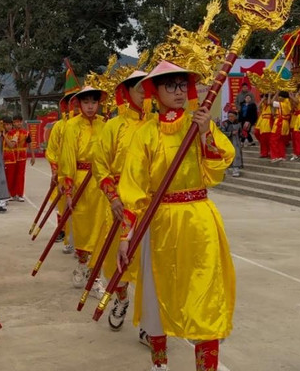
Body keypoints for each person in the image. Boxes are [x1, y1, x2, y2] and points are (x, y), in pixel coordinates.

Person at [119, 61, 236, 371]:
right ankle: (159, 363)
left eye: (183, 84)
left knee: (205, 294)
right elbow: (132, 186)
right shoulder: (145, 133)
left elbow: (217, 168)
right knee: (157, 292)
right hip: (158, 222)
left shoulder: (199, 124)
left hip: (199, 221)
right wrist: (126, 234)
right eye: (170, 85)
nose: (179, 91)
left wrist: (204, 134)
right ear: (155, 92)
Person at [92, 70, 149, 332]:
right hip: (120, 204)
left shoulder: (158, 124)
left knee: (150, 264)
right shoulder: (114, 126)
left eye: (149, 88)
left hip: (150, 204)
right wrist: (113, 197)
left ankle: (150, 322)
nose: (146, 94)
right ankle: (122, 300)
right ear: (126, 93)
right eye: (140, 89)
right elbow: (100, 165)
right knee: (119, 260)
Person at [59, 86, 109, 292]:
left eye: (93, 102)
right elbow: (67, 158)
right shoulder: (72, 126)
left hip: (101, 183)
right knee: (83, 230)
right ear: (79, 104)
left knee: (101, 230)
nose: (90, 106)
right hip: (81, 181)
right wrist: (68, 190)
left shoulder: (104, 125)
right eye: (86, 102)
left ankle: (95, 276)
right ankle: (82, 265)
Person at [45, 92, 79, 251]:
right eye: (73, 103)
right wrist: (55, 171)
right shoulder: (60, 126)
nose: (76, 107)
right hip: (65, 172)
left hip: (85, 174)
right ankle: (66, 235)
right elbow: (51, 151)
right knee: (65, 205)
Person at [8, 115, 35, 201]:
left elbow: (30, 144)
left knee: (20, 176)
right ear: (13, 123)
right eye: (16, 122)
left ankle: (19, 194)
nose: (18, 123)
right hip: (12, 157)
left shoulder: (26, 133)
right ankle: (11, 194)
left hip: (22, 157)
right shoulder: (10, 133)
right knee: (11, 175)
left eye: (19, 121)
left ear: (22, 122)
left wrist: (33, 156)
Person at [269, 91, 292, 163]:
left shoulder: (282, 104)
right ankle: (281, 156)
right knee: (281, 140)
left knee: (273, 139)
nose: (278, 98)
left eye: (279, 96)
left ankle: (275, 156)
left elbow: (271, 102)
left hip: (280, 123)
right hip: (285, 123)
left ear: (282, 97)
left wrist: (276, 93)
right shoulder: (287, 103)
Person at [221, 110, 243, 176]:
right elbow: (221, 132)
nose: (230, 118)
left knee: (237, 155)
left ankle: (235, 170)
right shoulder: (225, 123)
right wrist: (230, 133)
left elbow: (241, 133)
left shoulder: (238, 123)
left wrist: (242, 139)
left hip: (236, 142)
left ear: (235, 116)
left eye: (232, 116)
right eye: (229, 116)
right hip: (227, 142)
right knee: (227, 155)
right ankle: (225, 170)